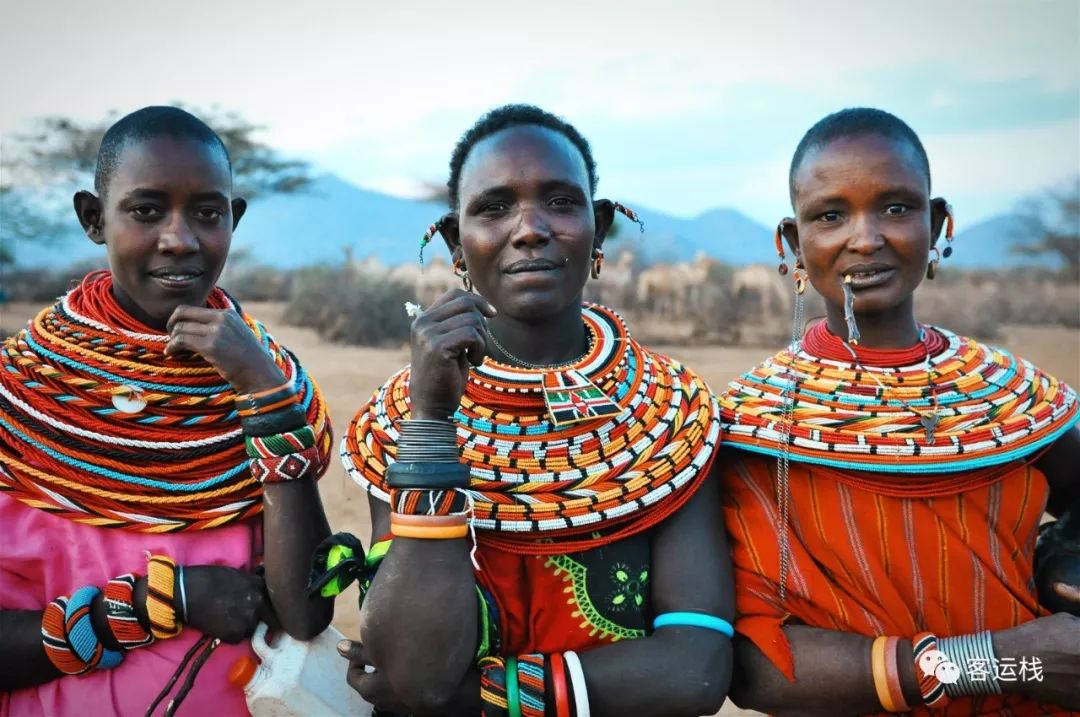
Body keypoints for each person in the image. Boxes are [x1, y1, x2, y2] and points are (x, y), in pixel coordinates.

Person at [323, 104, 734, 716]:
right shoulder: (402, 420)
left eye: (560, 203)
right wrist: (433, 422)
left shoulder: (669, 419)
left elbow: (695, 671)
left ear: (599, 227)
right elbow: (415, 670)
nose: (530, 229)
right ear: (456, 242)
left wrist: (474, 694)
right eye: (493, 208)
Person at [719, 107, 1080, 715]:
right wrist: (995, 660)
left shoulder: (1017, 399)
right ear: (792, 242)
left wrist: (1062, 567)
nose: (866, 238)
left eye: (895, 207)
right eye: (831, 215)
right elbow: (757, 667)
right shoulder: (752, 426)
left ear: (937, 223)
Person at [0, 106, 334, 715]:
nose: (179, 239)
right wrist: (166, 600)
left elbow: (305, 614)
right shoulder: (17, 400)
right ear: (93, 218)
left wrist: (261, 390)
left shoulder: (272, 383)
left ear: (234, 220)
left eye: (207, 214)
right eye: (146, 211)